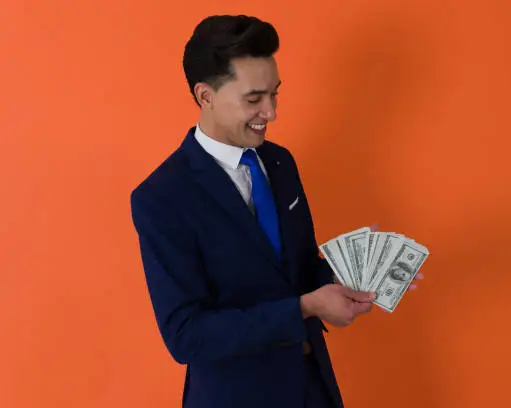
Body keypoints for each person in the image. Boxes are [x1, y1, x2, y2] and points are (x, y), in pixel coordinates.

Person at [130, 15, 377, 408]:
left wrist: (358, 272)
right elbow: (186, 334)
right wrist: (306, 308)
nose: (272, 112)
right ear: (205, 95)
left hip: (314, 390)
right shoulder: (161, 197)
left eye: (275, 94)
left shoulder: (280, 163)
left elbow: (297, 269)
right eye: (254, 99)